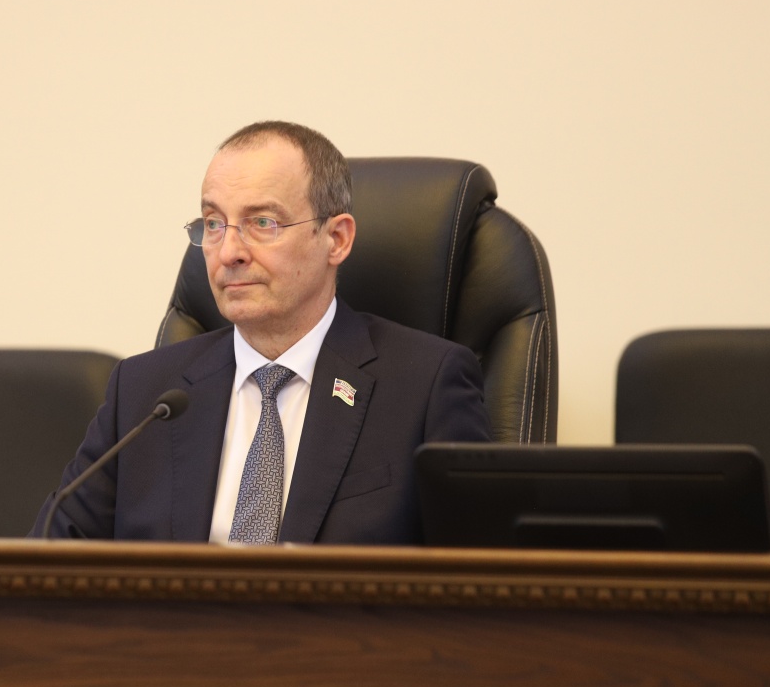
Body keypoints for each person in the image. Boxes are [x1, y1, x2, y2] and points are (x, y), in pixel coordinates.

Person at [31, 121, 489, 544]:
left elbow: (477, 581)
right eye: (214, 224)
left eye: (262, 223)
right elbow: (48, 561)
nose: (228, 251)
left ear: (336, 239)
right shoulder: (144, 394)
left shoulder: (425, 386)